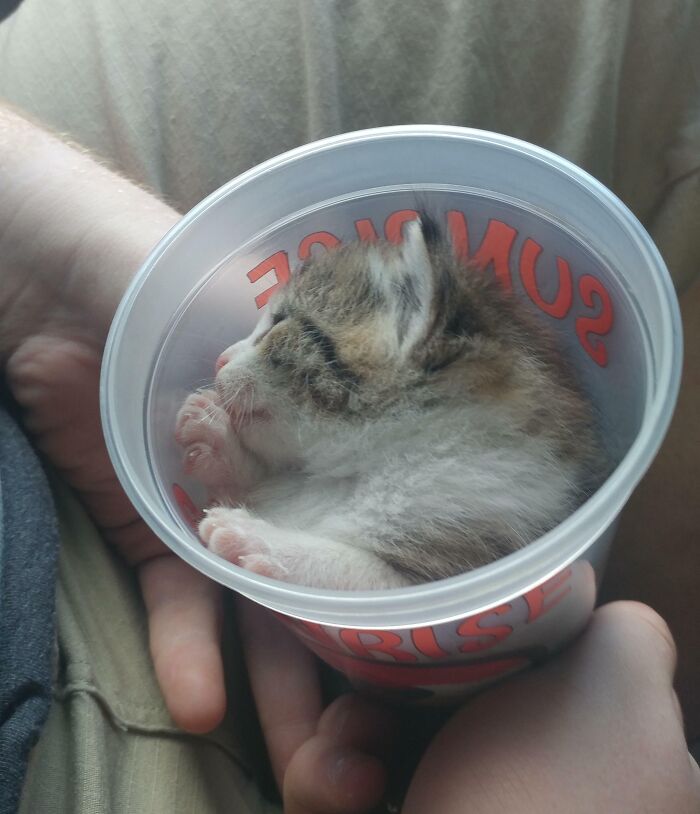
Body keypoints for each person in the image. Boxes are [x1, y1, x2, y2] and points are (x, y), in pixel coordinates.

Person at [0, 1, 699, 812]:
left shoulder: (472, 473)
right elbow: (350, 553)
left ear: (418, 337)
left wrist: (34, 232)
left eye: (276, 330)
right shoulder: (439, 449)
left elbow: (344, 536)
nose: (228, 352)